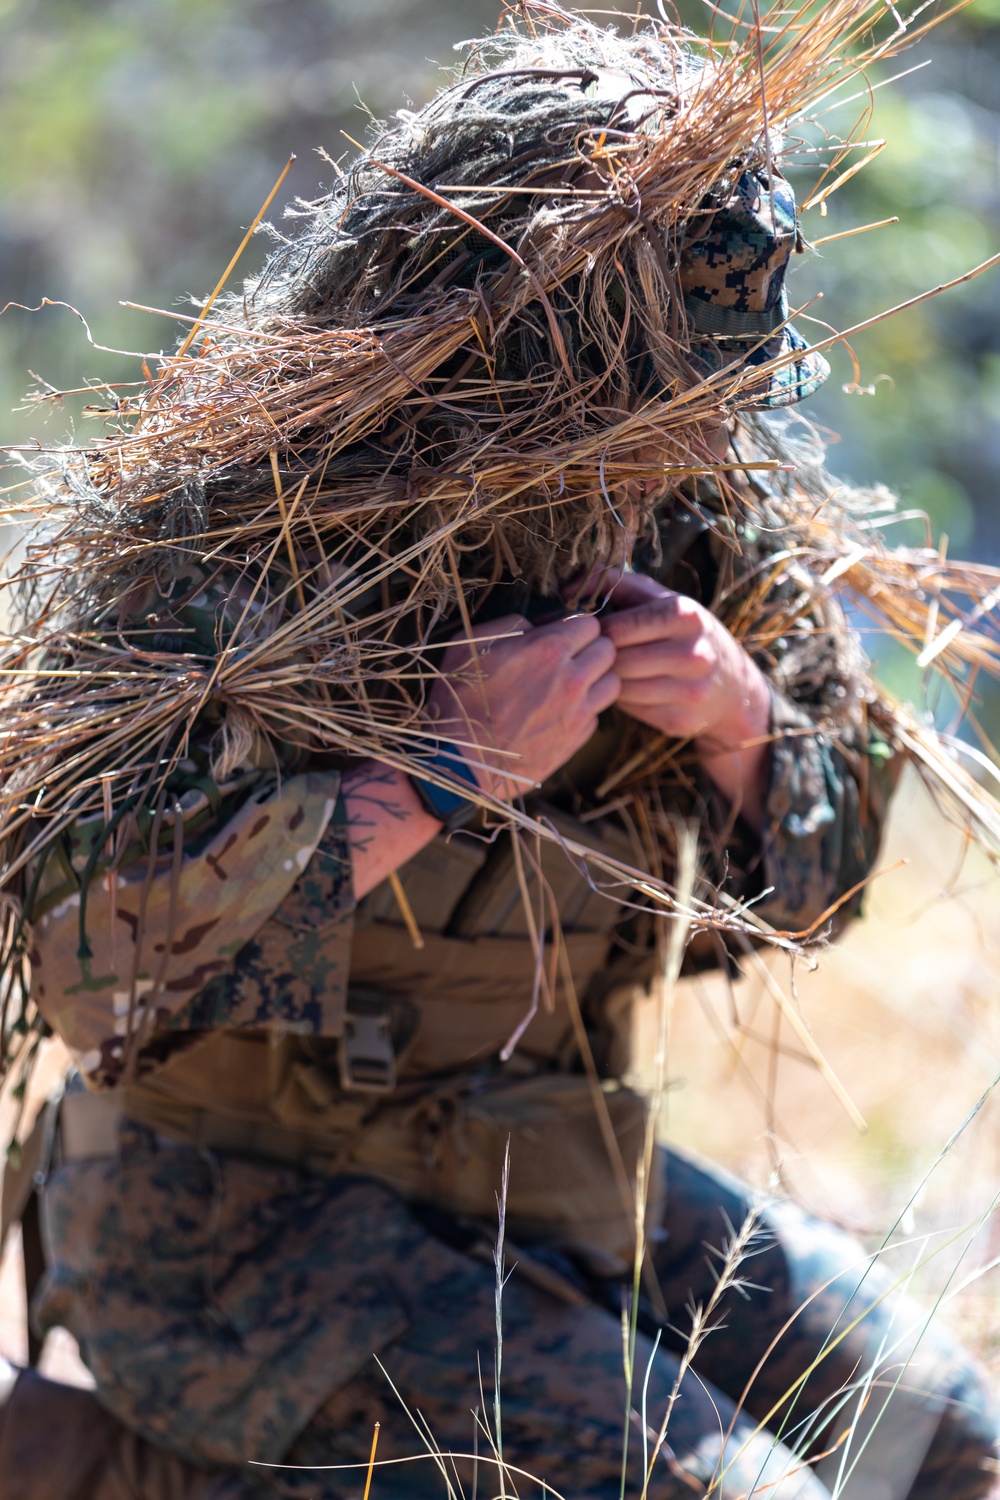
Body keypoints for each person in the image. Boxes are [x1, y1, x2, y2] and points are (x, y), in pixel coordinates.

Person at [0, 6, 997, 1497]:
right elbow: (95, 976)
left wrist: (738, 723)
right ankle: (115, 1469)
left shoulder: (702, 531)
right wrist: (442, 770)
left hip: (554, 1172)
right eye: (646, 414)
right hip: (239, 1223)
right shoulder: (233, 553)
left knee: (941, 1451)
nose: (681, 454)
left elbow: (817, 889)